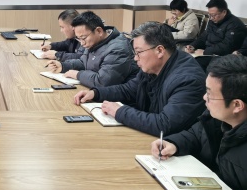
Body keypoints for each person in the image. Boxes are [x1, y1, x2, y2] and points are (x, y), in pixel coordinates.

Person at [74, 22, 206, 136]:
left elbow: (164, 124)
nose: (135, 58)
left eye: (138, 52)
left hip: (171, 149)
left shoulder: (188, 80)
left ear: (160, 50)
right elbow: (129, 89)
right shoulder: (152, 68)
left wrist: (119, 112)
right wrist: (96, 93)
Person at [151, 55, 247, 190]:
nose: (204, 97)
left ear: (237, 105)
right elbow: (195, 135)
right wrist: (174, 144)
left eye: (210, 94)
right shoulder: (216, 118)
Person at [46, 11, 138, 88]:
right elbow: (84, 62)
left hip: (117, 100)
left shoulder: (118, 49)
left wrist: (78, 75)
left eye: (83, 38)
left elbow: (102, 82)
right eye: (79, 39)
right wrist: (63, 66)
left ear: (99, 31)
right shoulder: (95, 41)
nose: (82, 43)